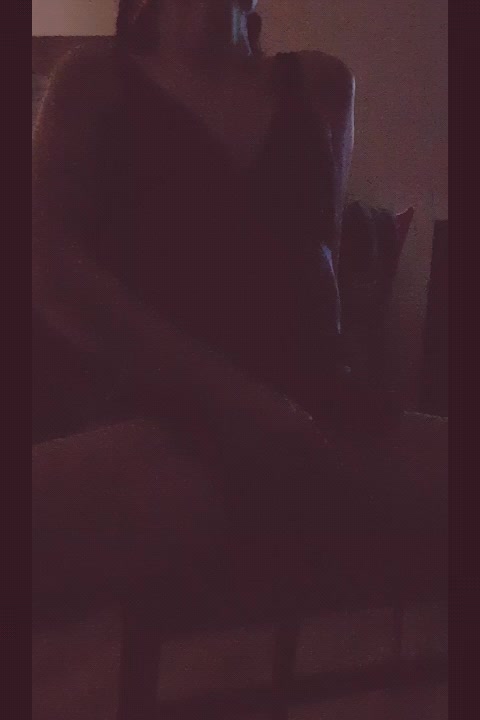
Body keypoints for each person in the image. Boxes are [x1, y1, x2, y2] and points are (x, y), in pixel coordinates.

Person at [32, 3, 447, 713]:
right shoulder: (92, 80)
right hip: (163, 419)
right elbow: (49, 271)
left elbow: (321, 273)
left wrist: (322, 405)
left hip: (318, 415)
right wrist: (240, 403)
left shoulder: (324, 83)